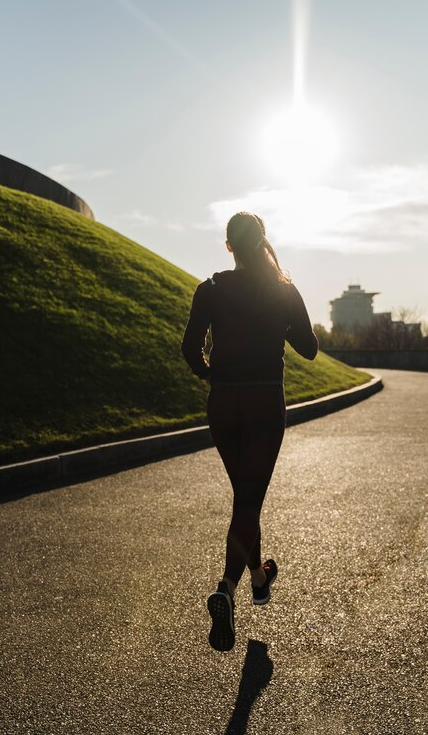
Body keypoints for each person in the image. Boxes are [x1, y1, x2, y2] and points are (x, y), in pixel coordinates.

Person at [181, 211, 318, 652]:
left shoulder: (211, 289)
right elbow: (309, 350)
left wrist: (213, 375)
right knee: (248, 499)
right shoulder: (282, 289)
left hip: (223, 405)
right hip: (263, 402)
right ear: (262, 242)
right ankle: (226, 588)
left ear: (228, 247)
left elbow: (189, 348)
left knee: (246, 497)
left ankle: (259, 578)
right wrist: (286, 314)